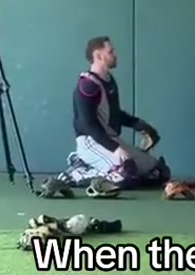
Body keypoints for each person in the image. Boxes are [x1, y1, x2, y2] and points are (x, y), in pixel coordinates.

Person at [68, 36, 170, 187]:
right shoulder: (87, 85)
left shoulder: (108, 80)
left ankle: (109, 168)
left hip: (110, 139)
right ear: (99, 56)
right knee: (125, 173)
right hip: (91, 141)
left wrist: (141, 126)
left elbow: (113, 113)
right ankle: (77, 171)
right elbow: (88, 124)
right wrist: (114, 148)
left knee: (158, 172)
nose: (115, 55)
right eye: (111, 52)